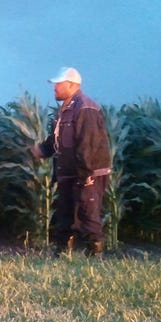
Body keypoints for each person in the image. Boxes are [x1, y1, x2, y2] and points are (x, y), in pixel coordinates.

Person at [30, 67, 111, 257]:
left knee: (87, 213)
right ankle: (62, 253)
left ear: (72, 85)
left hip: (85, 172)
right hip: (68, 172)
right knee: (65, 214)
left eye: (59, 84)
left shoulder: (85, 107)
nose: (55, 88)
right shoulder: (65, 109)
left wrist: (86, 175)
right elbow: (58, 139)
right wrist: (43, 150)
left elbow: (88, 143)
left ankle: (95, 256)